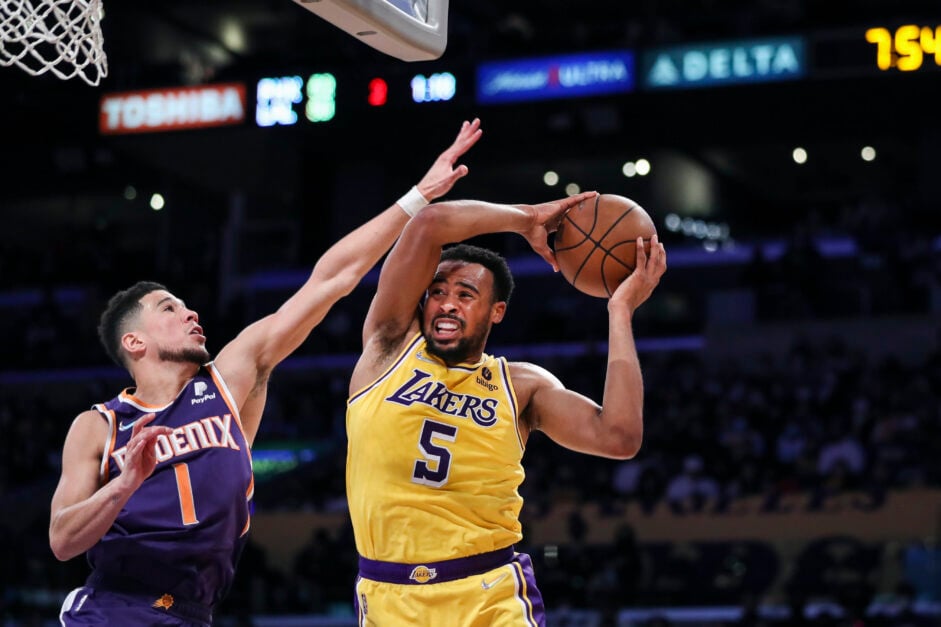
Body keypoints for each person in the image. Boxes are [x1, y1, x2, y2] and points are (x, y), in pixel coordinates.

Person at [49, 118, 484, 626]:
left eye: (188, 305)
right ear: (134, 342)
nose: (190, 313)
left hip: (195, 613)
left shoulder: (230, 379)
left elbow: (334, 278)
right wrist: (124, 485)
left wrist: (418, 197)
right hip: (111, 610)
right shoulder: (99, 425)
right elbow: (62, 540)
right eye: (169, 309)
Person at [346, 188, 667, 625]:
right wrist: (527, 217)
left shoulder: (520, 385)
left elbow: (619, 436)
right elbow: (428, 224)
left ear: (496, 312)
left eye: (465, 294)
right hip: (388, 597)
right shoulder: (386, 349)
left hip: (488, 592)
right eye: (437, 291)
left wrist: (620, 313)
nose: (447, 303)